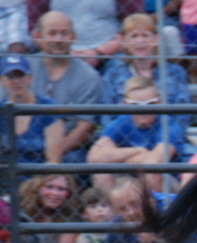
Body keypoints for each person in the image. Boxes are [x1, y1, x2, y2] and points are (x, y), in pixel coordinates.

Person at [27, 11, 103, 164]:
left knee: (74, 160)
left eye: (64, 33)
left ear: (73, 37)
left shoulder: (88, 76)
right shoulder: (25, 69)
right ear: (37, 36)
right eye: (52, 33)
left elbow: (86, 126)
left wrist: (53, 154)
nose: (58, 39)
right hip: (25, 143)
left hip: (67, 149)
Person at [88, 76, 186, 193]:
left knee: (152, 174)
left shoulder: (168, 124)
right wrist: (138, 151)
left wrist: (118, 159)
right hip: (129, 177)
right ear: (125, 104)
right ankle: (111, 206)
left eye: (150, 104)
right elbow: (95, 157)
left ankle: (158, 205)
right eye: (135, 104)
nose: (143, 110)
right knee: (102, 173)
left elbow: (155, 162)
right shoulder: (123, 121)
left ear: (159, 102)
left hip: (166, 182)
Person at [100, 13, 192, 132]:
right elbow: (106, 117)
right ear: (124, 42)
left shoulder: (175, 73)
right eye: (134, 36)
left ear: (156, 39)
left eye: (145, 35)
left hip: (166, 136)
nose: (140, 41)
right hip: (124, 136)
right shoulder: (113, 75)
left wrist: (169, 136)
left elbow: (183, 115)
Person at [26, 0, 139, 68]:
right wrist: (65, 53)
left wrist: (99, 53)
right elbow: (35, 29)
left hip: (111, 56)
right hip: (56, 53)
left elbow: (135, 25)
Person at [0, 54, 64, 170]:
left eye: (20, 75)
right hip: (6, 176)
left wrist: (37, 180)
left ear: (30, 78)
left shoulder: (48, 108)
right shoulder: (1, 110)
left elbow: (53, 161)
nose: (16, 81)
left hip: (39, 175)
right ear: (2, 80)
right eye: (10, 76)